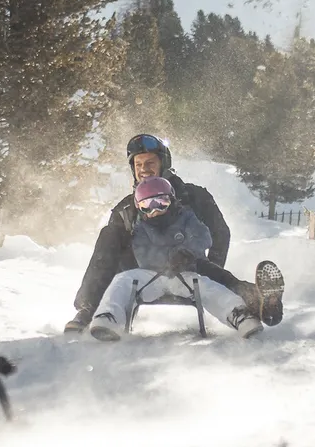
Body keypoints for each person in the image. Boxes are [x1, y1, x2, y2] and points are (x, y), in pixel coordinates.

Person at [66, 134, 282, 334]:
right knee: (109, 234)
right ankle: (90, 310)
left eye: (150, 162)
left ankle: (258, 303)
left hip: (189, 267)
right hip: (141, 272)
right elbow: (108, 253)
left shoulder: (194, 196)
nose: (144, 169)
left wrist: (211, 269)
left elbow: (220, 233)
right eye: (138, 164)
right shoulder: (127, 208)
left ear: (163, 164)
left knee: (211, 272)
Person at [86, 176, 261, 341]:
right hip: (150, 277)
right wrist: (166, 259)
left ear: (172, 200)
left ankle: (239, 315)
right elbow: (142, 254)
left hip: (183, 274)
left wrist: (187, 253)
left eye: (161, 202)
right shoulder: (140, 227)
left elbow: (203, 237)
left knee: (206, 286)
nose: (155, 210)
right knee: (122, 280)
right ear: (139, 207)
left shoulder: (185, 217)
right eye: (147, 205)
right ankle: (108, 317)